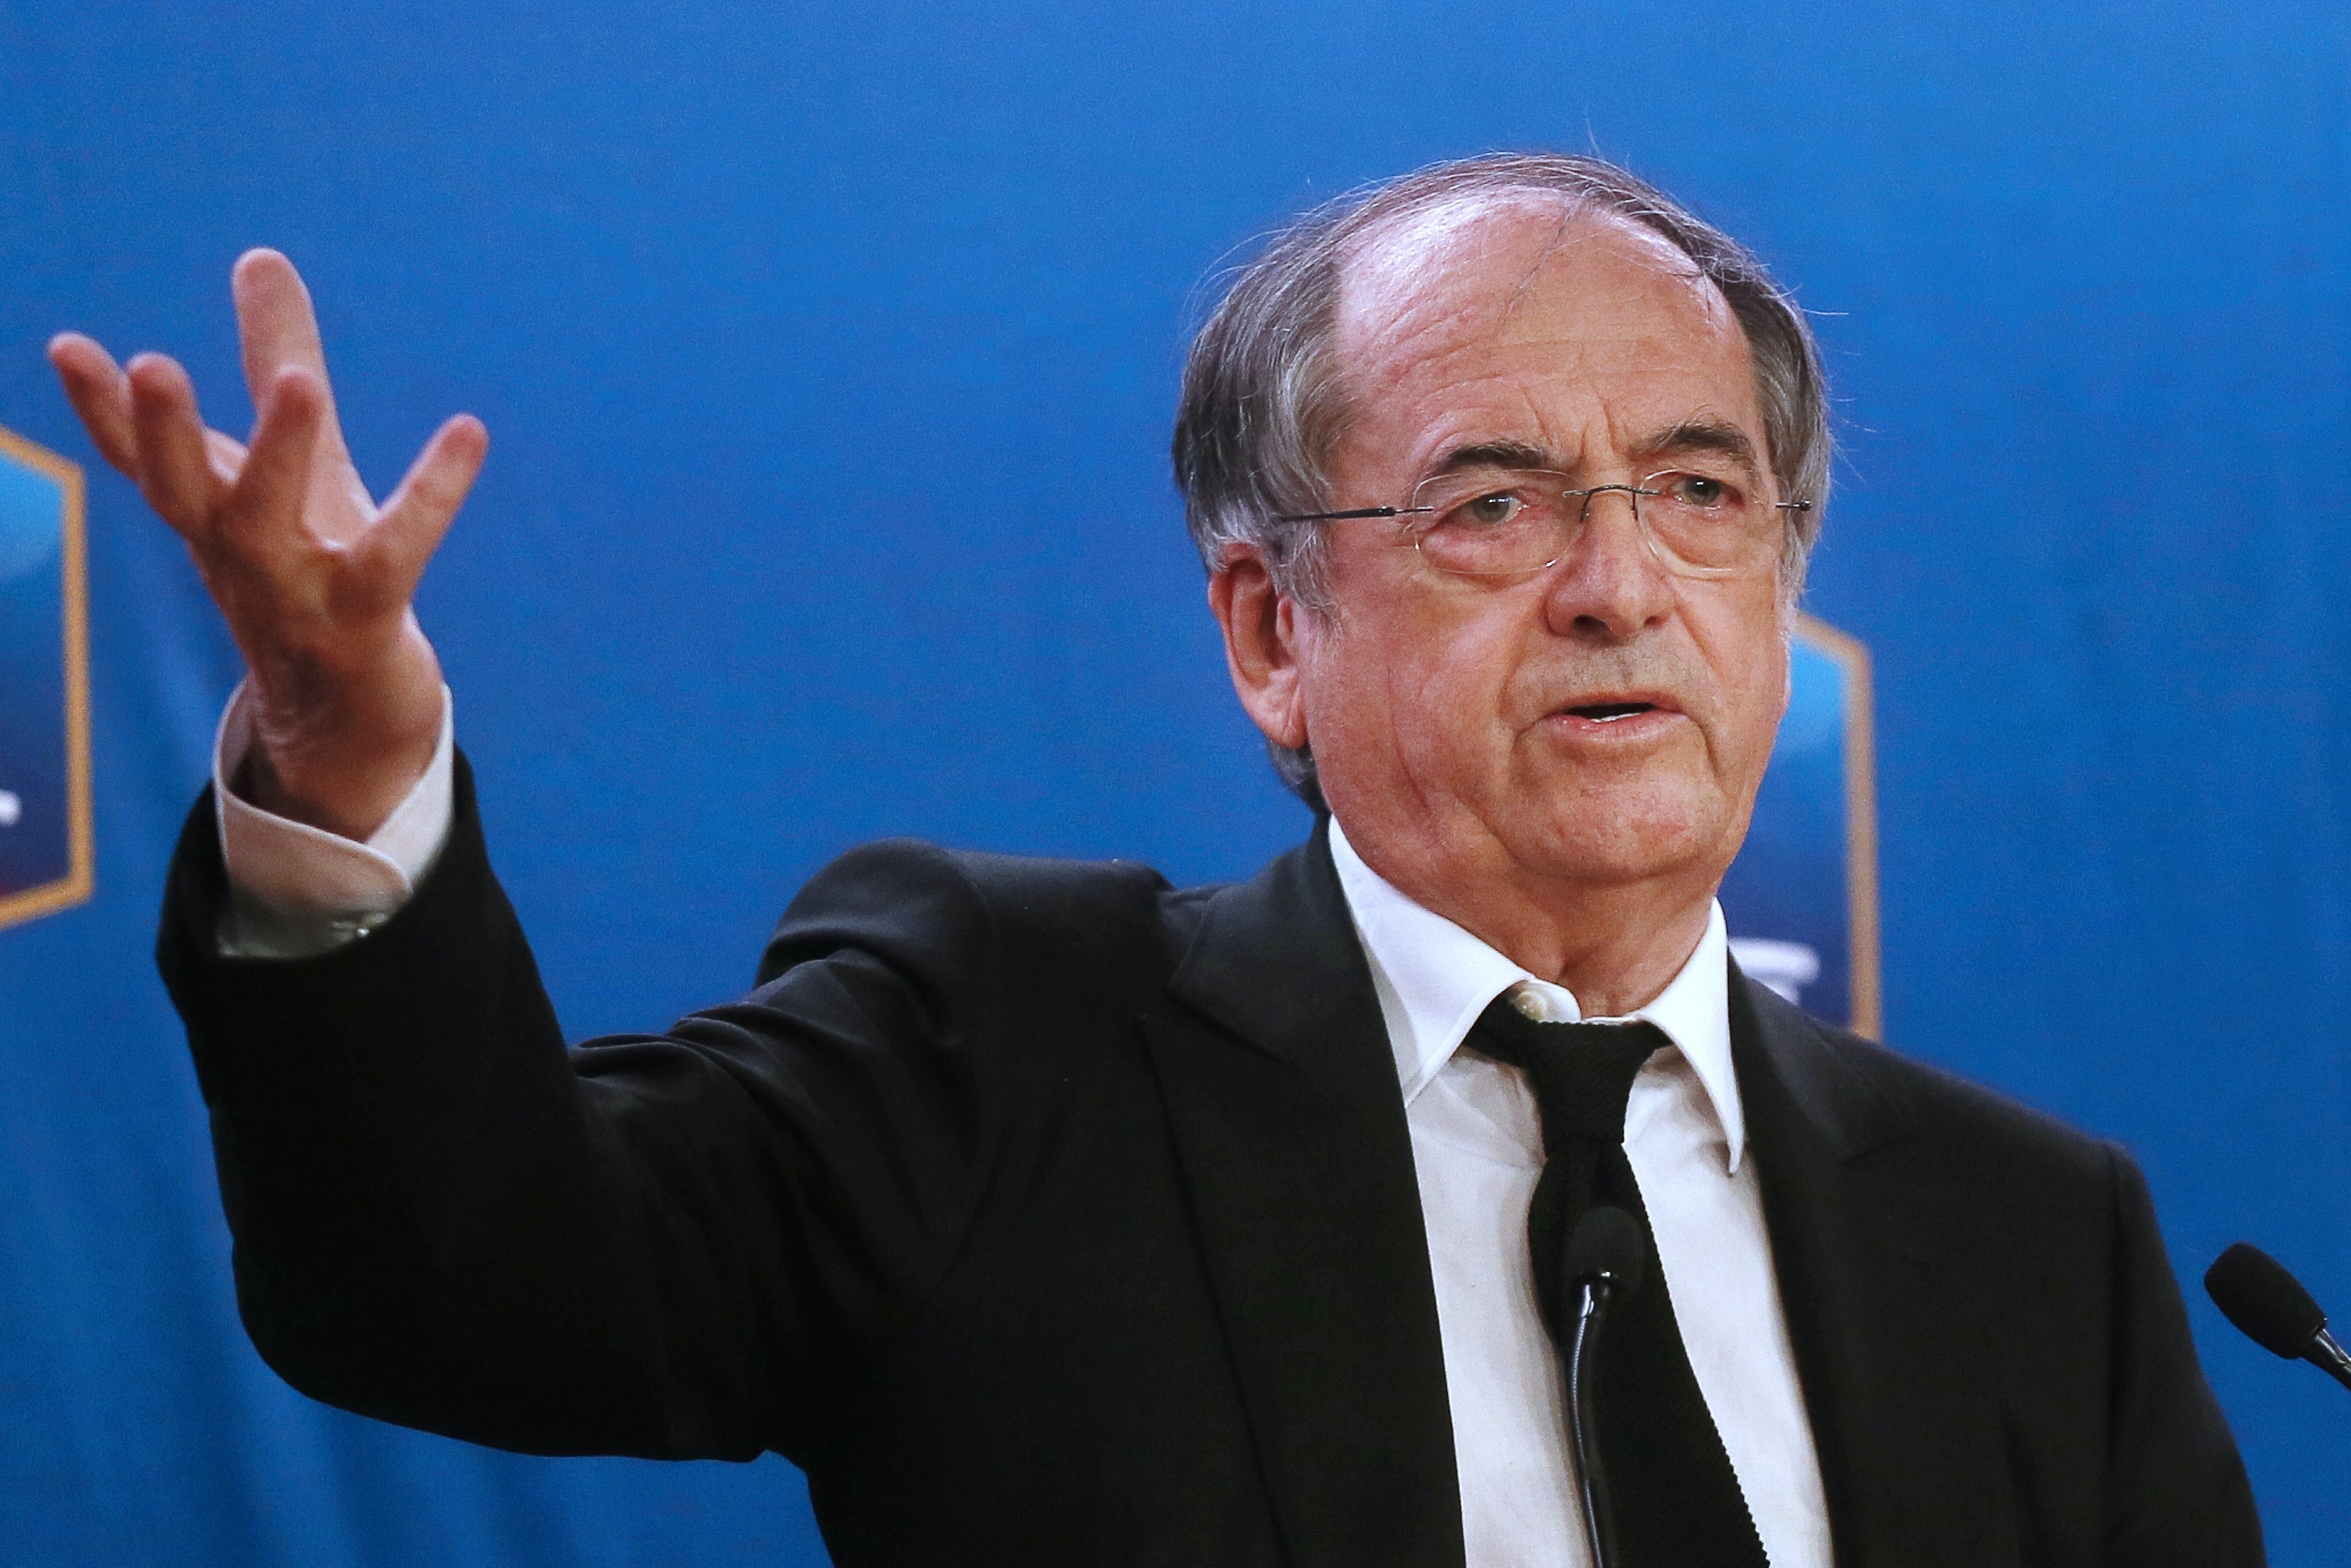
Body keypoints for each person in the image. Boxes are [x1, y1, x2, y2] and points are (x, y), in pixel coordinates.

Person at [52, 153, 2261, 1567]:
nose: (1619, 583)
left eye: (1698, 494)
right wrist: (346, 771)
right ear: (1272, 632)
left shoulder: (2034, 1242)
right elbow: (466, 1283)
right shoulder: (1000, 1051)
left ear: (1782, 592)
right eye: (1493, 502)